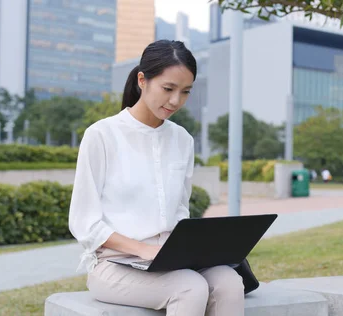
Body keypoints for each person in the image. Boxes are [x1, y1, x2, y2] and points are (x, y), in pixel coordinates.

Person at [68, 40, 245, 316]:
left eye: (185, 92)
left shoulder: (182, 140)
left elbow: (179, 212)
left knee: (230, 282)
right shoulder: (101, 135)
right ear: (142, 80)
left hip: (171, 259)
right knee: (190, 287)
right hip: (115, 265)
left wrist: (198, 249)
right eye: (168, 89)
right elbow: (85, 224)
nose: (176, 101)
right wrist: (144, 249)